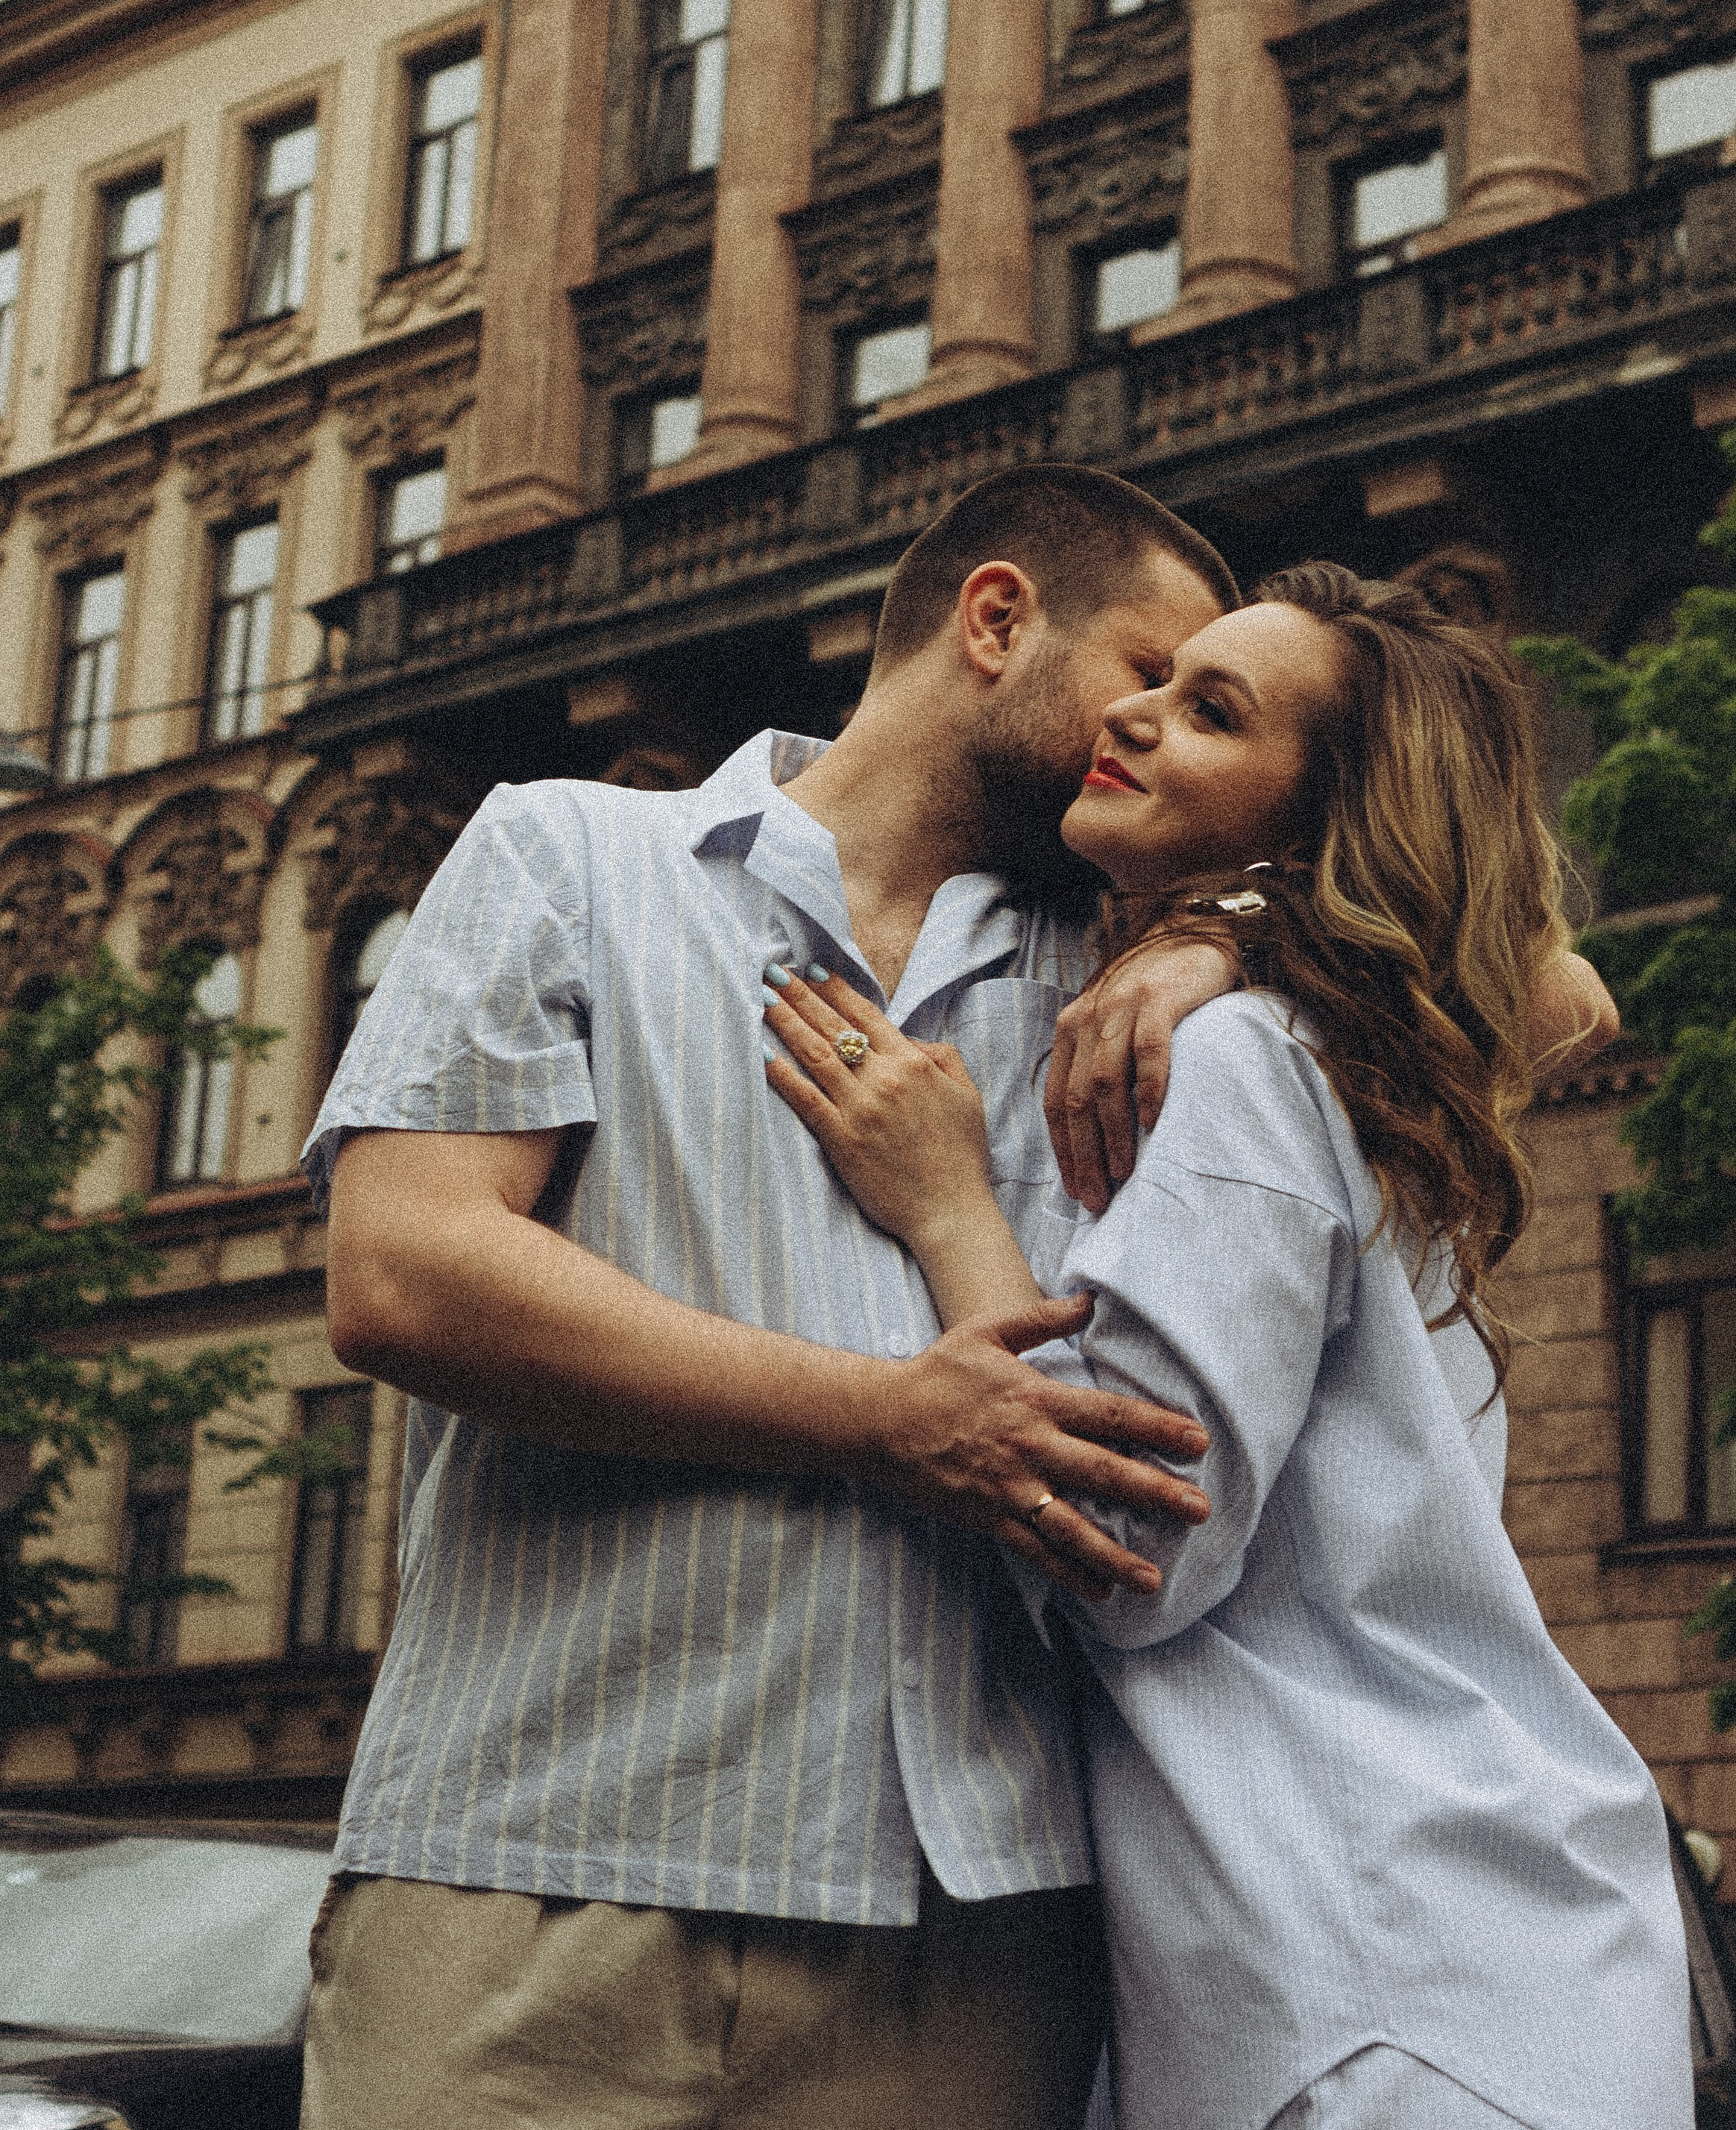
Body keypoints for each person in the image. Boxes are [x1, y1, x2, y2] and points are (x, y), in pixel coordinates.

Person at [301, 465, 1246, 2130]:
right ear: (998, 618)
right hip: (533, 1885)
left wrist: (1230, 934)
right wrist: (886, 1421)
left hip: (969, 1941)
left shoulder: (1122, 978)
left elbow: (1548, 994)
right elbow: (403, 1273)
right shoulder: (566, 852)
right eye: (1147, 674)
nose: (1157, 730)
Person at [762, 562, 1692, 2130]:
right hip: (1445, 1957)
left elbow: (1124, 1538)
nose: (1131, 709)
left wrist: (943, 1209)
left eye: (1211, 710)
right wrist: (1231, 924)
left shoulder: (1253, 1064)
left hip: (1375, 1979)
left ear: (1320, 817)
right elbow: (1543, 987)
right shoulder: (1358, 1056)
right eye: (1162, 676)